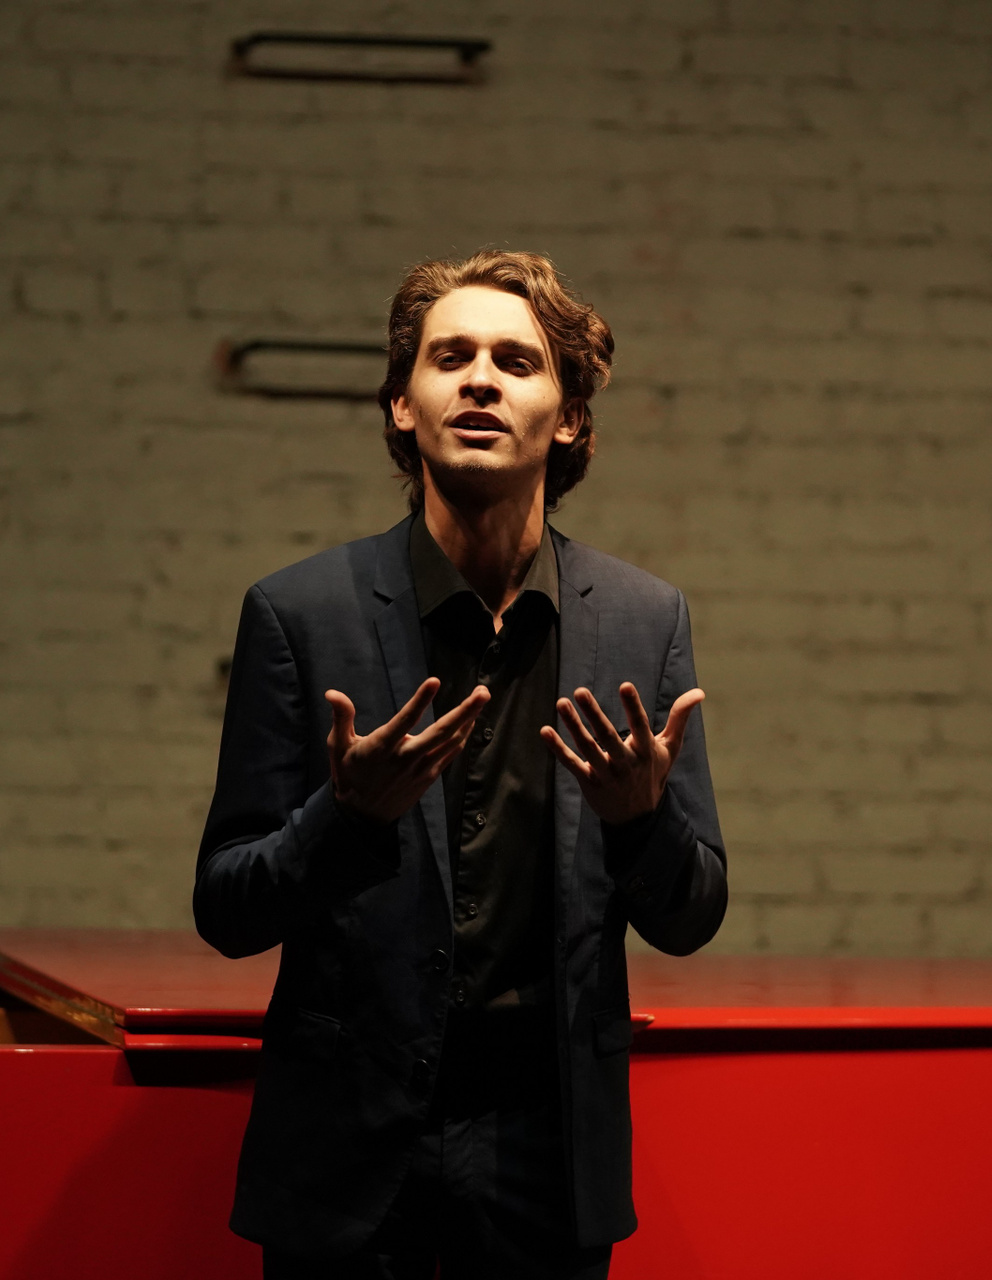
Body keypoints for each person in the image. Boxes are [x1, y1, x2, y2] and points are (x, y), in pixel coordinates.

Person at [195, 249, 727, 1279]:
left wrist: (637, 821)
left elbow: (692, 913)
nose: (480, 379)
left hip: (547, 1159)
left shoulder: (643, 621)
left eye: (515, 361)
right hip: (349, 1161)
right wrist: (346, 818)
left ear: (568, 417)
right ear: (404, 404)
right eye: (450, 357)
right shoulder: (299, 614)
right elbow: (227, 907)